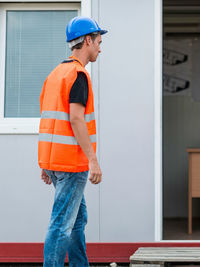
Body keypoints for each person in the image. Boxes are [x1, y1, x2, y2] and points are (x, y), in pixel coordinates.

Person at [38, 16, 107, 267]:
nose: (100, 47)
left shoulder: (56, 74)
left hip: (56, 163)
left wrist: (47, 164)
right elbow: (76, 119)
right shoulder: (78, 75)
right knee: (62, 224)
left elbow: (49, 119)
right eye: (98, 42)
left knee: (77, 219)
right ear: (87, 41)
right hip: (71, 165)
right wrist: (93, 160)